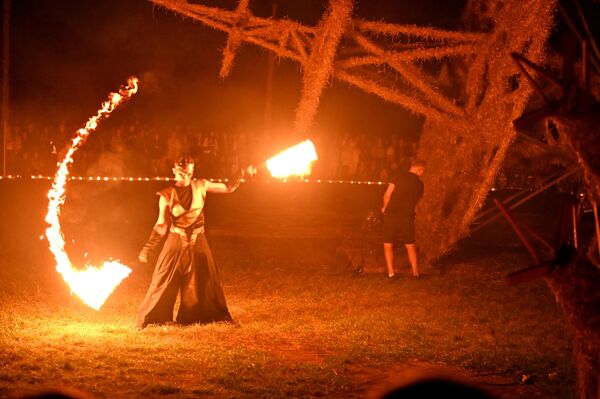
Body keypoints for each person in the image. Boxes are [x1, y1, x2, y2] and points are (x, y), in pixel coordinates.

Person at [137, 155, 240, 328]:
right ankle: (154, 318)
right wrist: (148, 247)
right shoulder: (167, 195)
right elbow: (161, 224)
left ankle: (200, 316)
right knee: (163, 278)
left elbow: (228, 187)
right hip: (176, 240)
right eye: (181, 171)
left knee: (206, 279)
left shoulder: (201, 185)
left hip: (199, 239)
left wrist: (240, 174)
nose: (185, 174)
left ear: (193, 171)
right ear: (174, 171)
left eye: (189, 171)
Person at [381, 159, 425, 278]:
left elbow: (387, 195)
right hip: (407, 217)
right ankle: (415, 273)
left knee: (388, 244)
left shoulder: (397, 176)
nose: (423, 174)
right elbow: (417, 202)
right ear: (419, 169)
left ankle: (391, 273)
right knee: (410, 245)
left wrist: (384, 207)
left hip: (392, 215)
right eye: (423, 171)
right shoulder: (420, 184)